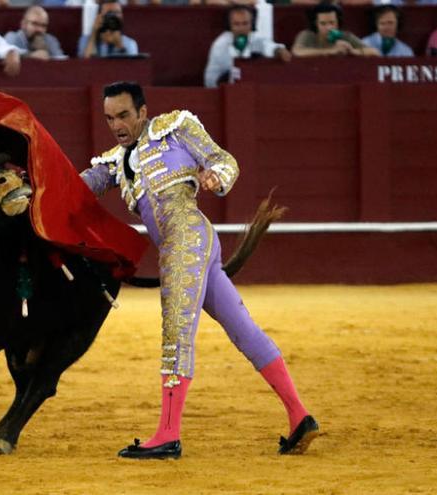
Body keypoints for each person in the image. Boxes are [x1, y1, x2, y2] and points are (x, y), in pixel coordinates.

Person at [80, 81, 319, 460]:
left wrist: (215, 178)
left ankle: (168, 434)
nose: (116, 124)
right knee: (243, 329)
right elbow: (80, 188)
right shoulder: (114, 162)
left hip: (187, 239)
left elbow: (225, 161)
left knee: (176, 327)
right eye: (109, 118)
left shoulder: (176, 128)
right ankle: (299, 415)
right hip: (187, 247)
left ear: (142, 112)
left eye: (124, 115)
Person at [204, 5, 291, 88]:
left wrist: (279, 50)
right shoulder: (220, 45)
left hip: (253, 88)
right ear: (229, 25)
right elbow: (211, 78)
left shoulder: (256, 38)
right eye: (236, 24)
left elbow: (268, 46)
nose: (241, 28)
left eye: (245, 23)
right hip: (227, 91)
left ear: (252, 24)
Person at [292, 2, 380, 57]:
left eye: (332, 23)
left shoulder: (345, 36)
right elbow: (297, 52)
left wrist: (353, 52)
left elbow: (375, 52)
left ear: (338, 22)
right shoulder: (308, 35)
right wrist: (330, 52)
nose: (329, 28)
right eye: (323, 23)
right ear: (316, 24)